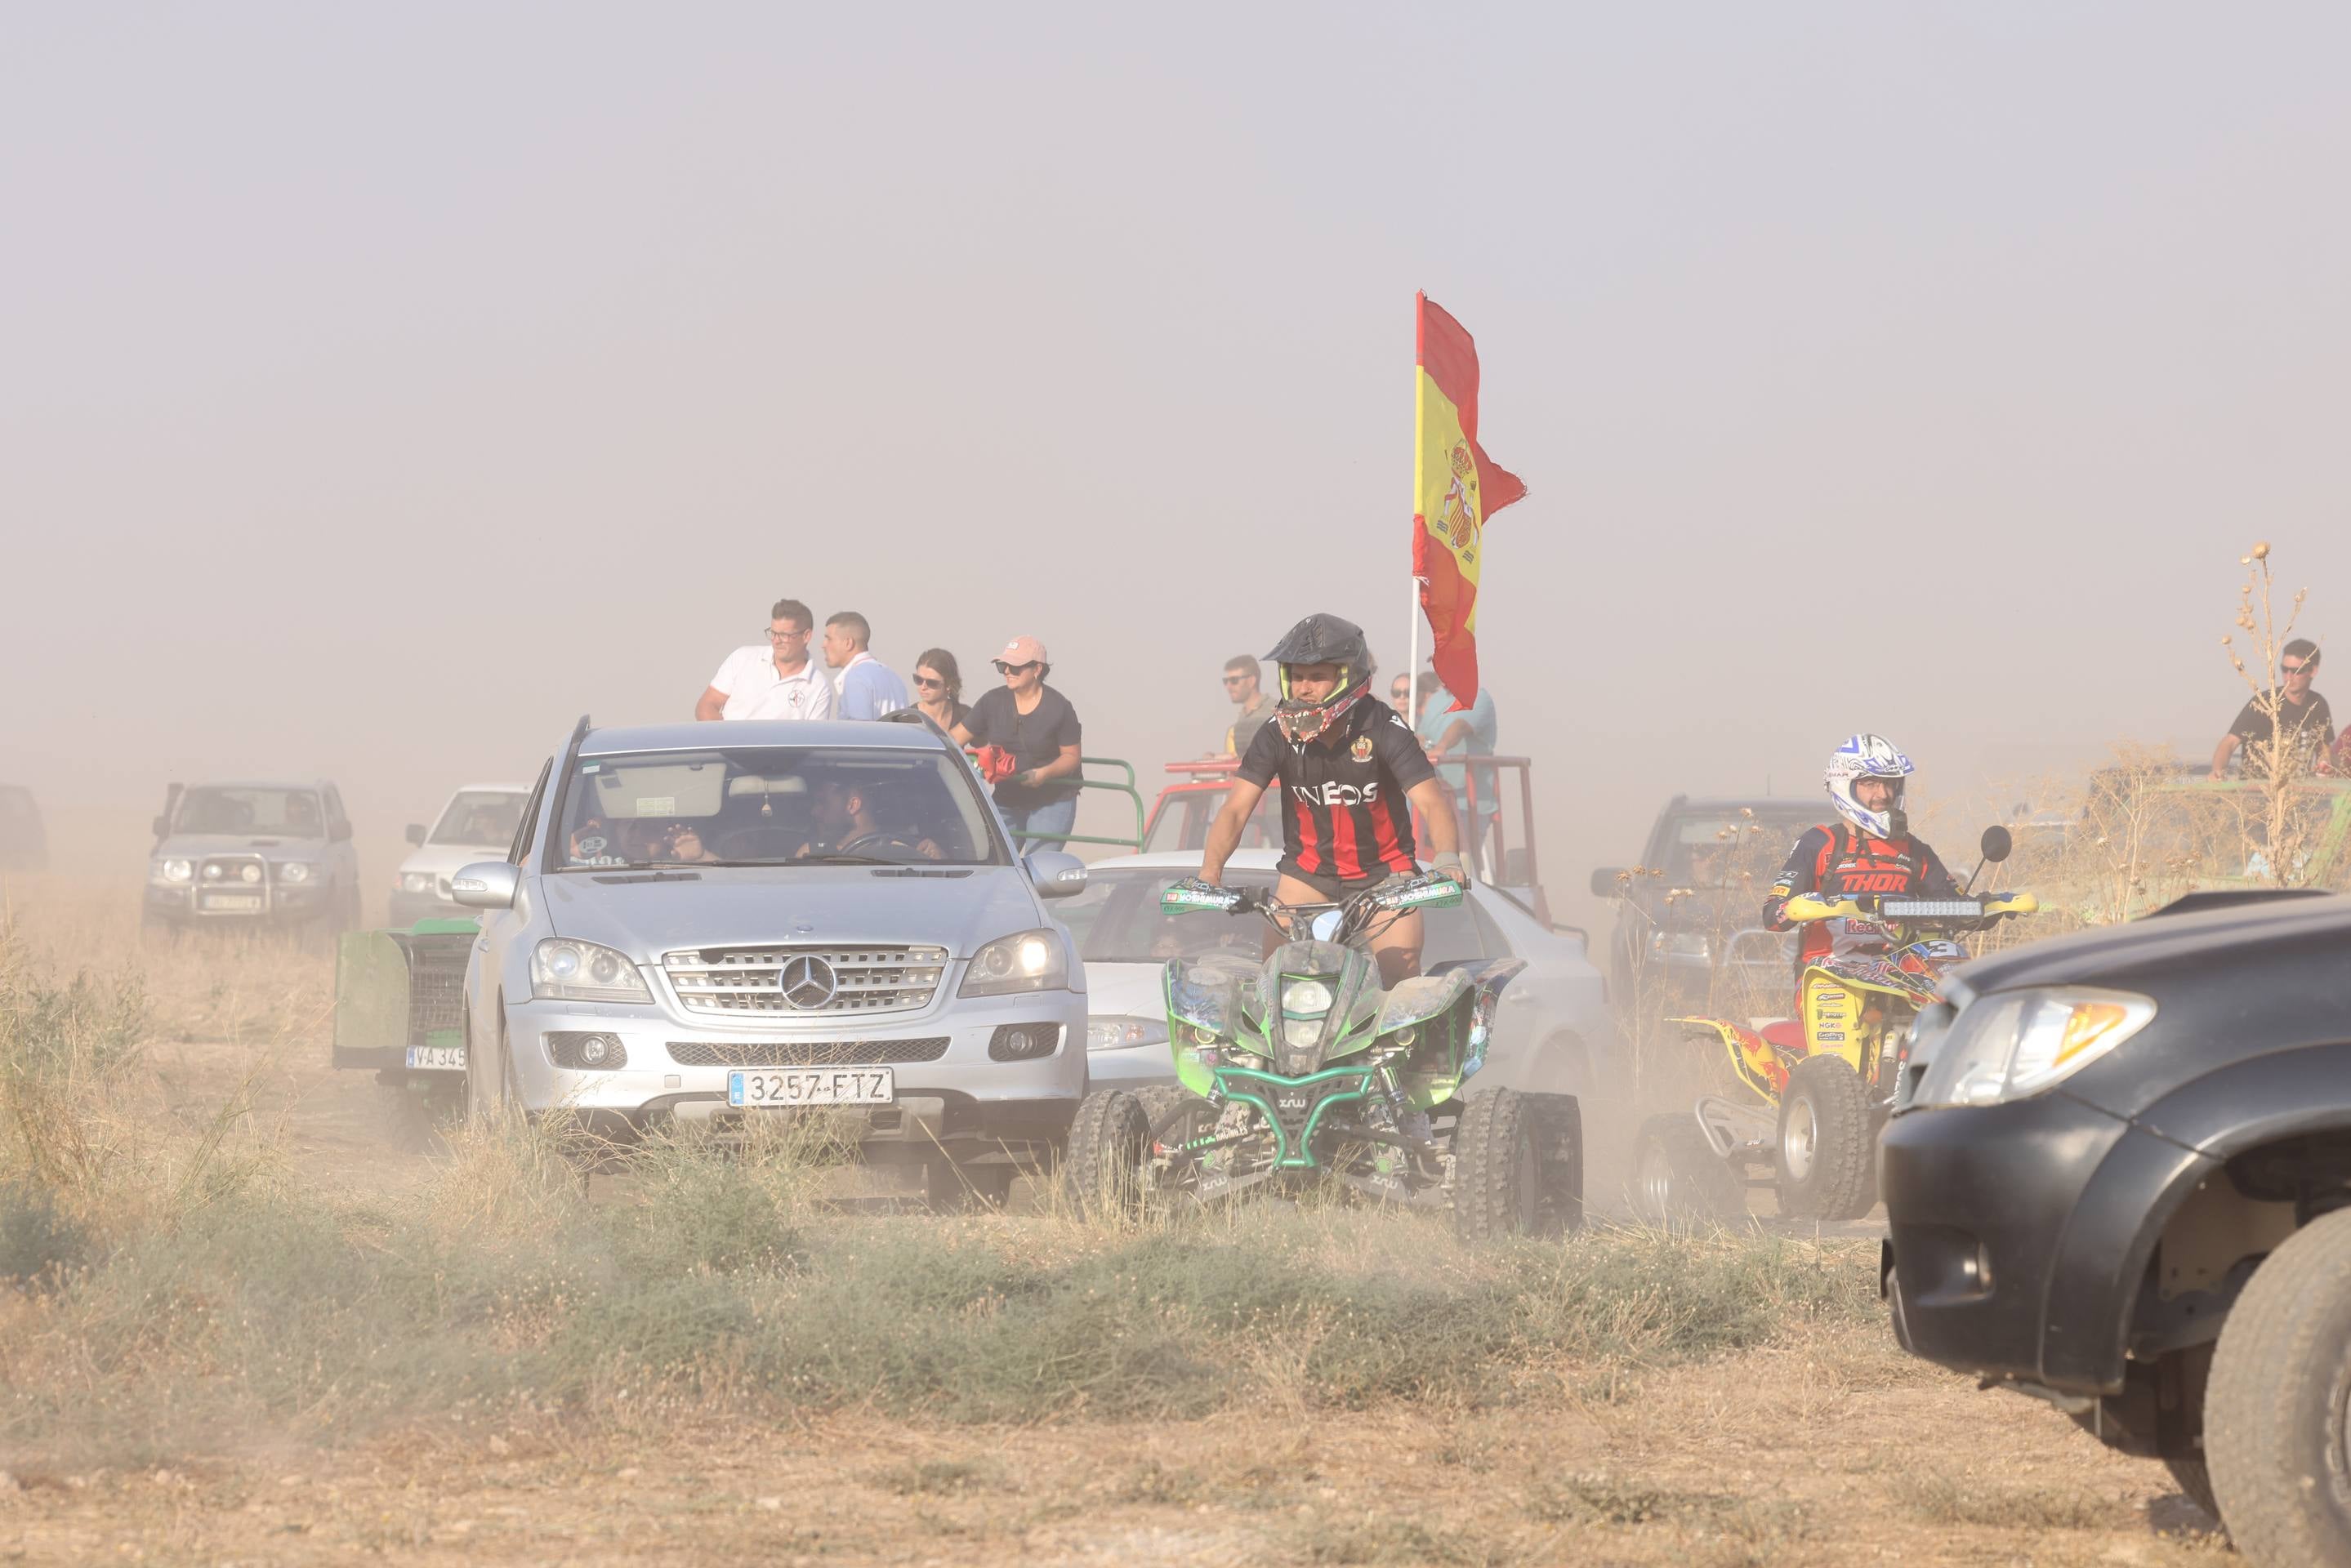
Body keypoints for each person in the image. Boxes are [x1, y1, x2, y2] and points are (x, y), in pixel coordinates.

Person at [1192, 613, 1465, 988]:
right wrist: (1210, 874)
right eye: (1297, 676)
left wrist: (1448, 859)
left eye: (1318, 676)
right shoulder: (1275, 733)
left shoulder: (1385, 728)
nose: (1304, 688)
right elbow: (1236, 809)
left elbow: (1433, 803)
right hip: (1307, 873)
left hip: (1385, 875)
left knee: (1400, 979)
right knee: (1274, 981)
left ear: (1348, 677)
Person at [1762, 733, 1962, 1003]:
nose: (1884, 794)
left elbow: (1955, 905)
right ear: (1845, 785)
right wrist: (1801, 906)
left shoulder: (1914, 850)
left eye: (1889, 783)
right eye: (1870, 783)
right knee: (1844, 1005)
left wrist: (1989, 906)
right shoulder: (1819, 843)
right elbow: (1772, 915)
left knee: (1954, 988)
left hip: (1901, 975)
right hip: (1830, 973)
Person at [951, 636, 1084, 852]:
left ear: (1037, 669)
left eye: (1015, 667)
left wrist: (1044, 774)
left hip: (1052, 800)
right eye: (1002, 666)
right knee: (991, 857)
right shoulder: (992, 701)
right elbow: (953, 740)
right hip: (1007, 797)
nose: (1007, 671)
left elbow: (1071, 757)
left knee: (1039, 866)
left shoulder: (1059, 707)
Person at [1413, 669, 1501, 878]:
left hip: (1468, 802)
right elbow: (1422, 735)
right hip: (1434, 796)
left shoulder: (1478, 697)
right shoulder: (1436, 700)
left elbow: (1460, 726)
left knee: (1464, 864)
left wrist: (1441, 748)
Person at [697, 599, 836, 721]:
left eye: (784, 635)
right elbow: (707, 705)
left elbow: (811, 740)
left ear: (806, 636)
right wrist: (728, 739)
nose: (776, 641)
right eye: (773, 633)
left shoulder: (819, 687)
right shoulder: (742, 658)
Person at [2212, 638, 2333, 778]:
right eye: (2284, 669)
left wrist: (2325, 763)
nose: (2288, 676)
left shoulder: (2318, 704)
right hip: (2257, 789)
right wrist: (2217, 772)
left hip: (2296, 790)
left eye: (2296, 671)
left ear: (2312, 671)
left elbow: (2323, 746)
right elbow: (2230, 742)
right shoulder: (2265, 702)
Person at [795, 777, 932, 861]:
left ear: (853, 805)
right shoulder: (811, 853)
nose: (814, 812)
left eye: (823, 803)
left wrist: (938, 859)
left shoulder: (907, 851)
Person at [823, 611, 911, 720]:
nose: (823, 645)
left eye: (829, 639)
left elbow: (858, 729)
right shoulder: (894, 677)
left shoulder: (856, 678)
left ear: (848, 643)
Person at [1216, 655, 1278, 757]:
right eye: (1225, 681)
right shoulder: (1241, 718)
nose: (1228, 686)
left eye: (1234, 680)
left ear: (1251, 681)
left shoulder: (1274, 711)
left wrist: (1233, 757)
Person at [911, 648, 971, 732]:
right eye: (919, 680)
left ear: (949, 684)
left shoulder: (967, 716)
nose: (923, 687)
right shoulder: (905, 719)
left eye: (931, 682)